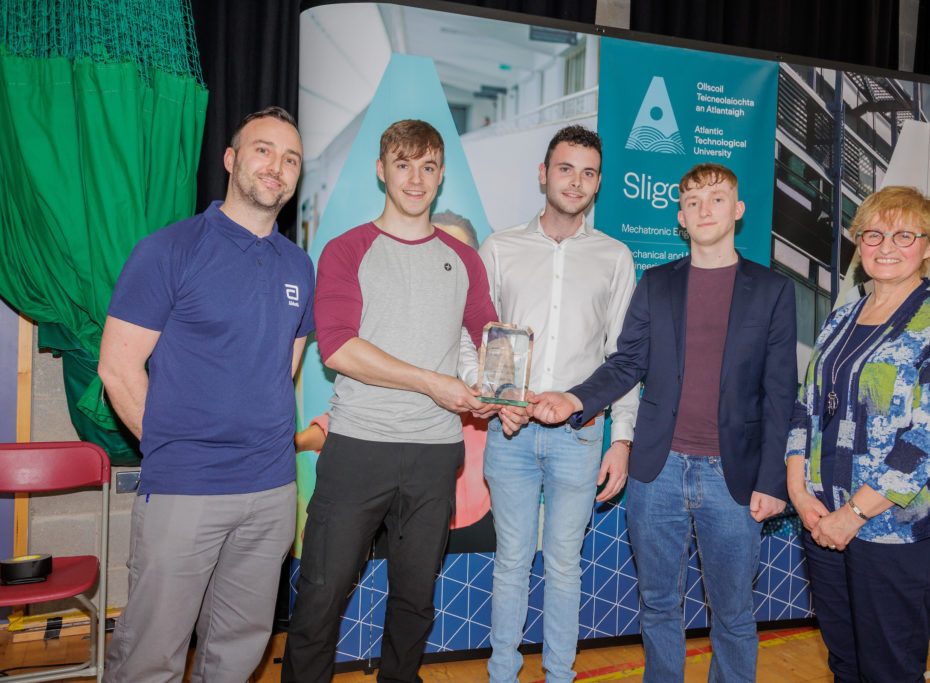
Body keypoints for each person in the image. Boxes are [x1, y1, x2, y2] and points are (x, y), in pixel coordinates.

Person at [531, 162, 797, 682]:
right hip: (658, 473)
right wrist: (573, 399)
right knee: (657, 606)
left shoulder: (772, 291)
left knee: (735, 615)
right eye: (693, 201)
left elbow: (781, 393)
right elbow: (627, 363)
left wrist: (773, 479)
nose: (705, 210)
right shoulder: (657, 284)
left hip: (734, 478)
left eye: (717, 199)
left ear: (737, 211)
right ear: (680, 216)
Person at [281, 119, 515, 683]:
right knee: (320, 596)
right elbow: (337, 348)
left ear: (440, 177)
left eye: (428, 167)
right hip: (358, 447)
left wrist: (499, 392)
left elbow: (490, 339)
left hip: (436, 453)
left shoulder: (464, 259)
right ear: (382, 170)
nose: (416, 179)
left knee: (414, 601)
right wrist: (433, 383)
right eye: (404, 165)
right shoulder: (346, 249)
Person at [97, 106, 313, 682]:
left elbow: (282, 369)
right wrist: (174, 448)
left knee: (238, 649)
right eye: (263, 150)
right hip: (186, 488)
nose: (277, 167)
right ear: (231, 158)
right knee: (151, 654)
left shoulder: (300, 266)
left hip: (271, 492)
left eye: (291, 158)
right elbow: (118, 368)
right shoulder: (169, 250)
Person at [785, 185, 930, 682]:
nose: (886, 246)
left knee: (888, 670)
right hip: (823, 522)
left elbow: (929, 440)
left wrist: (852, 515)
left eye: (904, 235)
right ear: (858, 242)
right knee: (845, 663)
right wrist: (798, 492)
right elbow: (806, 406)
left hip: (896, 532)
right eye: (873, 234)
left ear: (929, 246)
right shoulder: (843, 316)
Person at [476, 125, 639, 683]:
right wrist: (498, 402)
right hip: (511, 433)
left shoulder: (615, 257)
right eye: (565, 168)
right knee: (512, 563)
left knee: (565, 566)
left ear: (598, 184)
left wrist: (622, 440)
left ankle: (561, 676)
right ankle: (502, 674)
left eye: (588, 172)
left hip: (581, 436)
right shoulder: (499, 247)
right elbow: (476, 338)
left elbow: (625, 358)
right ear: (543, 174)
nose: (576, 181)